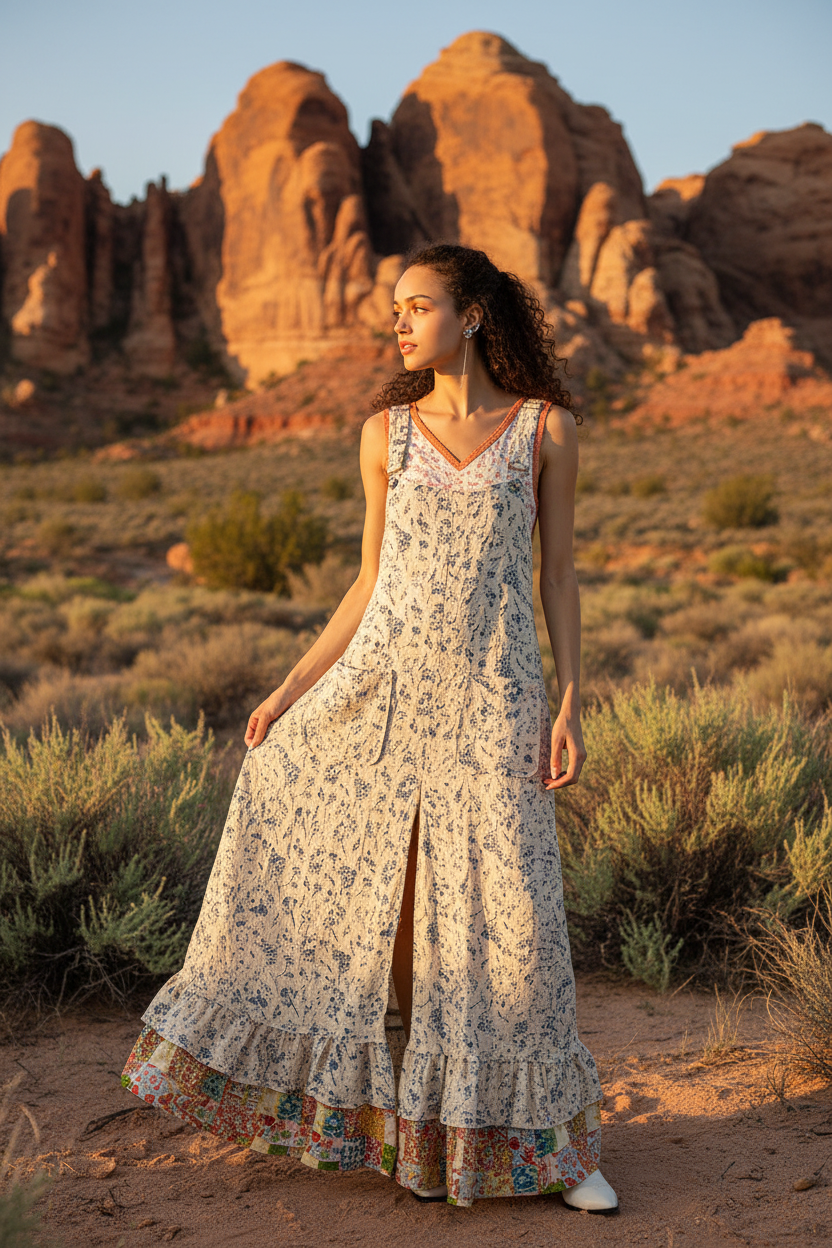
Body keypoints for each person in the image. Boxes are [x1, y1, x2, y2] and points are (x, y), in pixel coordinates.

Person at [121, 242, 618, 1213]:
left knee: (511, 915)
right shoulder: (382, 435)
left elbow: (558, 576)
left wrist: (569, 699)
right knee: (387, 917)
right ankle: (409, 1130)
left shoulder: (544, 432)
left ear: (472, 315)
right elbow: (367, 582)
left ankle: (553, 1150)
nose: (399, 322)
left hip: (495, 698)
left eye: (417, 305)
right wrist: (290, 687)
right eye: (395, 308)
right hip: (381, 699)